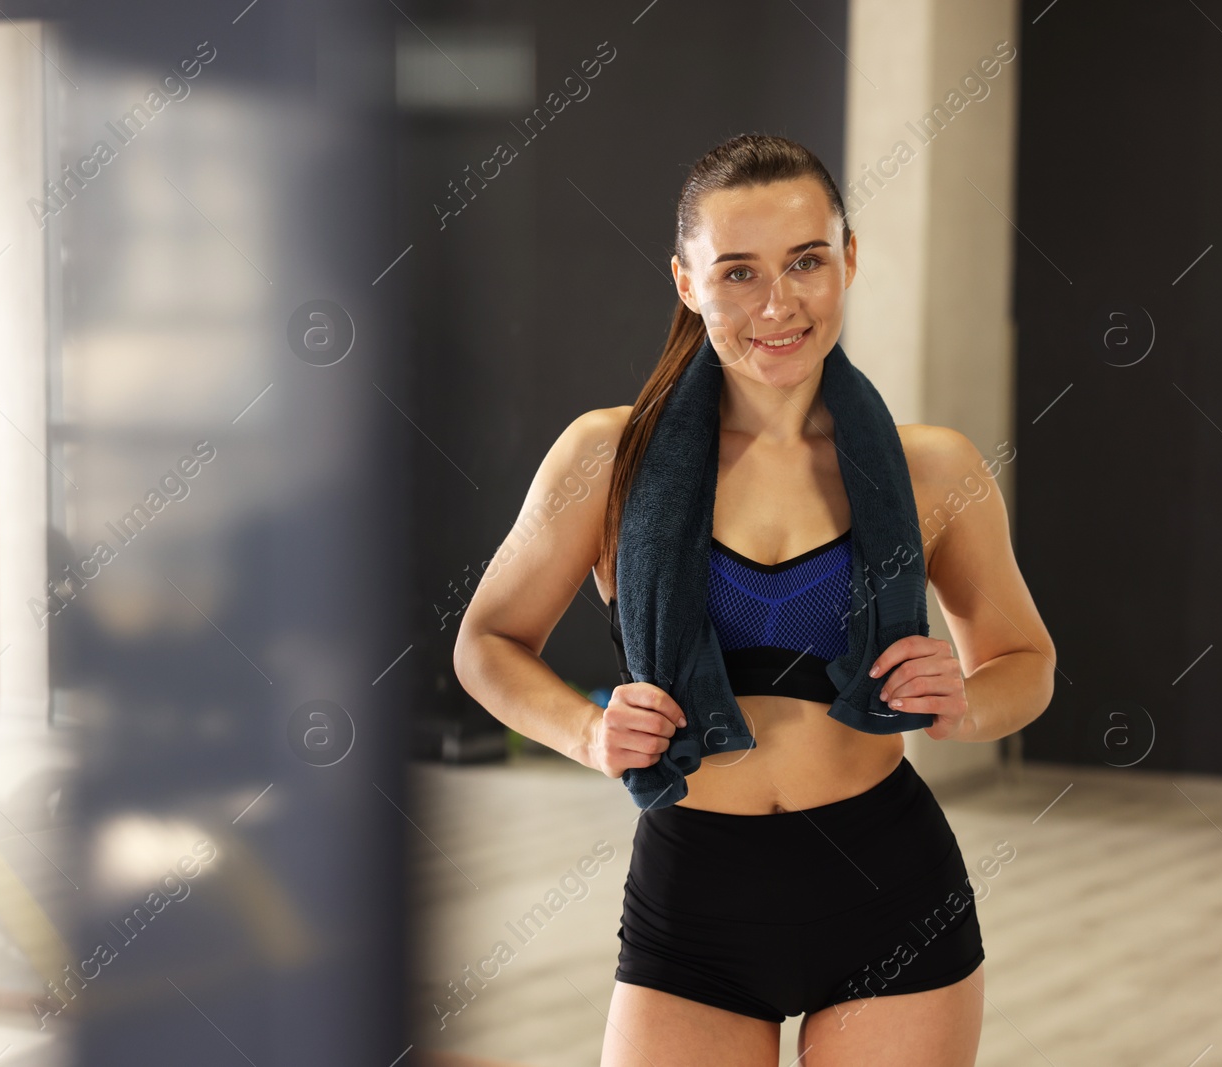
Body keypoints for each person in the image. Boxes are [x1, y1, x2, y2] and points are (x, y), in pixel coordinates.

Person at [451, 134, 1055, 1067]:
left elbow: (1028, 663)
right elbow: (485, 641)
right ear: (687, 283)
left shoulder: (933, 468)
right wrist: (585, 732)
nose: (778, 304)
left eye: (807, 261)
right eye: (738, 272)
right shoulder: (607, 460)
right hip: (694, 898)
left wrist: (966, 702)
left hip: (890, 886)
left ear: (847, 259)